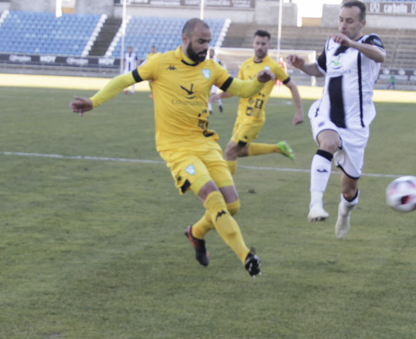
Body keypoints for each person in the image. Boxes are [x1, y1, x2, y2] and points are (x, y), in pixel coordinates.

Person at [70, 18, 274, 277]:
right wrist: (94, 101)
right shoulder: (160, 63)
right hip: (177, 149)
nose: (206, 48)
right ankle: (246, 256)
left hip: (205, 144)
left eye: (209, 42)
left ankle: (196, 233)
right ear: (185, 39)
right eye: (201, 42)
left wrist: (258, 81)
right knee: (214, 200)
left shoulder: (211, 68)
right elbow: (124, 80)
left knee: (232, 207)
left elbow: (242, 89)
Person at [286, 0, 386, 239]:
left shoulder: (369, 41)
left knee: (349, 190)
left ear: (362, 23)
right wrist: (301, 66)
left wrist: (352, 43)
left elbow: (381, 56)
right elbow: (319, 69)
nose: (343, 25)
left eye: (349, 21)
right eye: (341, 19)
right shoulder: (331, 44)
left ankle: (345, 212)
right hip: (327, 114)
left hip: (356, 127)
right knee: (328, 143)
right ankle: (315, 205)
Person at [211, 30, 303, 173]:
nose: (260, 46)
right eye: (257, 43)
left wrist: (299, 111)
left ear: (269, 45)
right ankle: (278, 147)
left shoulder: (274, 66)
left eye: (263, 44)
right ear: (253, 44)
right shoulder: (246, 65)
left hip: (254, 116)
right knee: (239, 152)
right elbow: (238, 89)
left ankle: (225, 190)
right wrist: (219, 95)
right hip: (241, 116)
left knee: (230, 150)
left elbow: (292, 86)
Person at [206, 48, 224, 114]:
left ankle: (212, 109)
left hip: (215, 80)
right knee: (208, 95)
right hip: (208, 80)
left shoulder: (217, 61)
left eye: (212, 52)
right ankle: (218, 105)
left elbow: (221, 69)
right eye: (210, 52)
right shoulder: (206, 61)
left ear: (214, 53)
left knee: (213, 94)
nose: (211, 53)